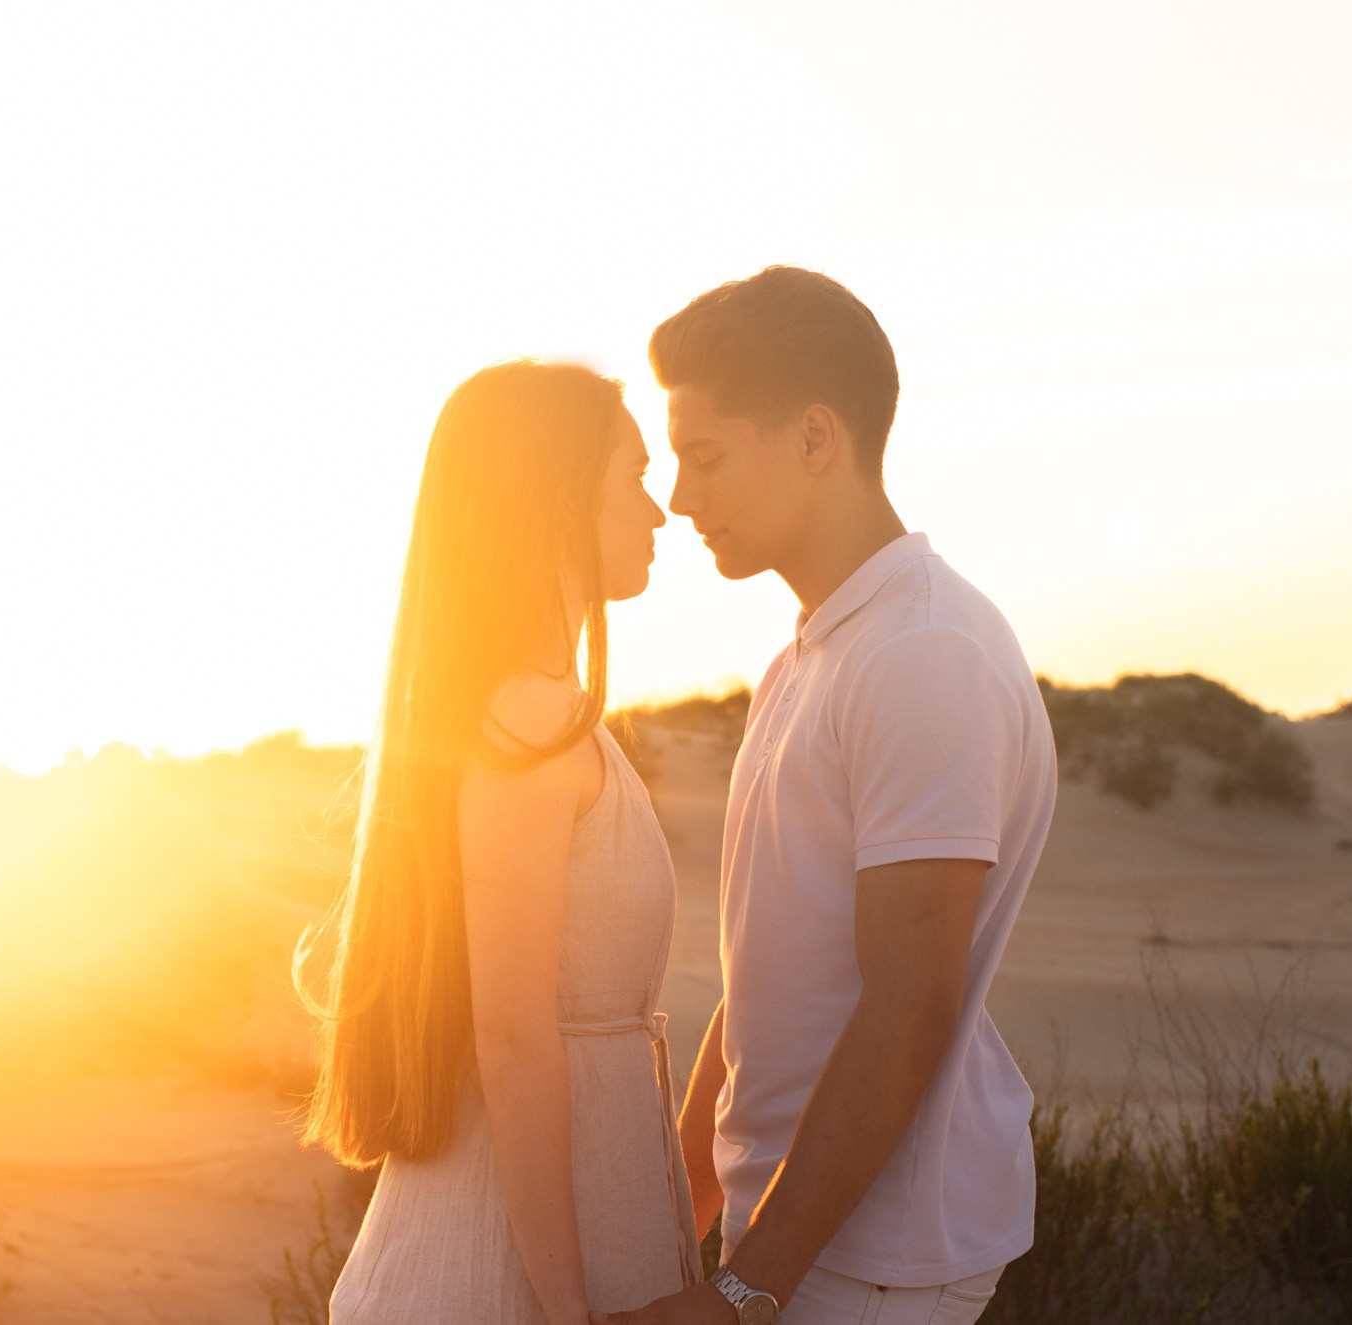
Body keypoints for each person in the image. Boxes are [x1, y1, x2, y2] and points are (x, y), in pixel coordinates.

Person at [600, 267, 1058, 1325]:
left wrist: (747, 1284)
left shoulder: (921, 650)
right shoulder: (811, 655)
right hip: (798, 1236)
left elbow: (909, 1002)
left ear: (814, 439)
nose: (680, 496)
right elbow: (764, 970)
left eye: (703, 455)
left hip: (875, 1253)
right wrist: (683, 1211)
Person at [297, 359, 700, 1324]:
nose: (662, 511)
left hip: (560, 1243)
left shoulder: (543, 715)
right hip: (495, 1273)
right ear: (562, 500)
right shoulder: (526, 720)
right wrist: (567, 1311)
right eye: (635, 476)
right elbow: (515, 1042)